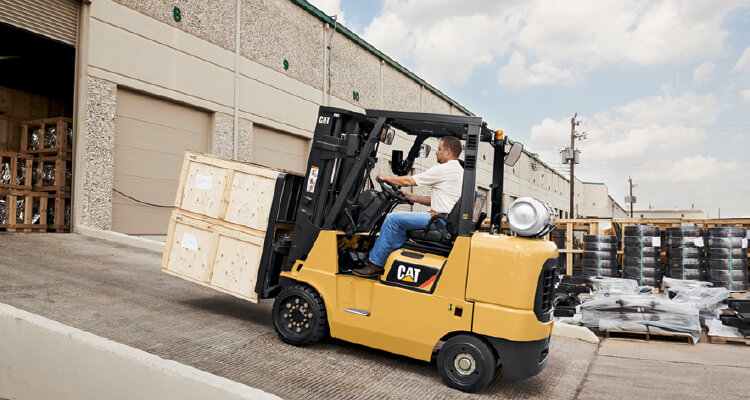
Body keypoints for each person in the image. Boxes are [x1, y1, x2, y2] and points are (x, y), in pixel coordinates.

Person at [351, 136, 464, 277]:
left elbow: (409, 180)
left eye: (439, 149)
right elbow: (437, 200)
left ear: (447, 152)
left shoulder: (445, 169)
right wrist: (410, 196)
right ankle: (390, 261)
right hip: (444, 218)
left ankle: (375, 264)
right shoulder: (458, 170)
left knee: (392, 219)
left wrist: (386, 178)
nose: (436, 152)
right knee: (400, 226)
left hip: (438, 220)